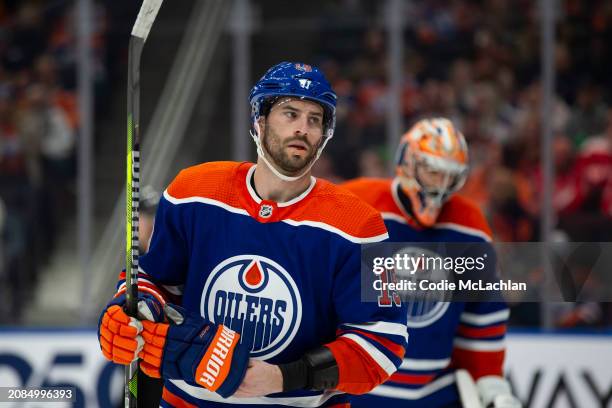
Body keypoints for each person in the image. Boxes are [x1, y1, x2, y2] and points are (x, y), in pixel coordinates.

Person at [98, 62, 407, 407]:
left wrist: (282, 376)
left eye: (314, 119)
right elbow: (155, 280)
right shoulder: (193, 191)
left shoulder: (361, 225)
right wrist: (131, 307)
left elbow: (383, 344)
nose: (303, 129)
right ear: (259, 120)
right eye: (290, 114)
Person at [342, 118, 521, 407]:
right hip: (354, 393)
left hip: (434, 396)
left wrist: (489, 379)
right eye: (433, 171)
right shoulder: (356, 203)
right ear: (407, 162)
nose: (441, 185)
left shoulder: (469, 225)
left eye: (450, 176)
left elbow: (481, 316)